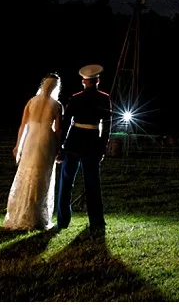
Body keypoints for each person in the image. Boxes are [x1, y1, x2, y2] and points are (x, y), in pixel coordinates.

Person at [56, 62, 113, 233]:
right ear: (98, 81)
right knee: (92, 185)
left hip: (74, 142)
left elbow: (66, 124)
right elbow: (107, 126)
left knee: (66, 183)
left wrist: (60, 146)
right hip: (93, 143)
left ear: (83, 82)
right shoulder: (104, 98)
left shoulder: (76, 98)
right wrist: (102, 148)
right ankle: (96, 222)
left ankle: (62, 220)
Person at [3, 73, 63, 230]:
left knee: (27, 173)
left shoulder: (31, 102)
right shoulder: (56, 105)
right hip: (46, 140)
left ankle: (21, 213)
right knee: (42, 177)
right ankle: (36, 216)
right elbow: (58, 130)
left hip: (31, 139)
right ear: (56, 87)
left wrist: (18, 145)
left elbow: (23, 125)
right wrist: (58, 148)